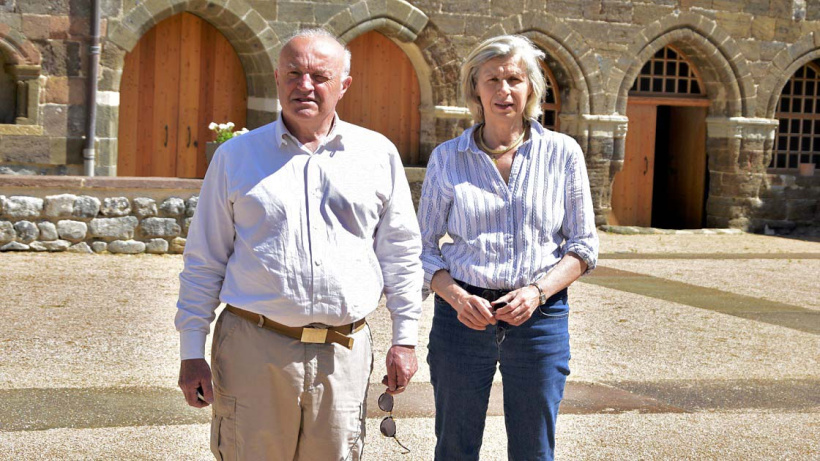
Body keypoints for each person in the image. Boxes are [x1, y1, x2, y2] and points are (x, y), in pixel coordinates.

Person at [175, 28, 423, 460]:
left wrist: (404, 339)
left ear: (343, 84)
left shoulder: (376, 155)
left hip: (342, 355)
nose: (304, 85)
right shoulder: (236, 157)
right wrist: (191, 352)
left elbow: (401, 255)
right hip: (255, 349)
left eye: (318, 76)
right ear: (277, 77)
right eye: (293, 73)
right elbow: (204, 261)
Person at [418, 35, 599, 460]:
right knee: (454, 448)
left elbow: (584, 245)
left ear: (531, 88)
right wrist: (457, 297)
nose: (504, 90)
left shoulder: (562, 153)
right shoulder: (447, 158)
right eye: (492, 79)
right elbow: (422, 247)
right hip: (461, 320)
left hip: (539, 320)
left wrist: (537, 292)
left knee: (534, 450)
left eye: (515, 78)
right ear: (475, 89)